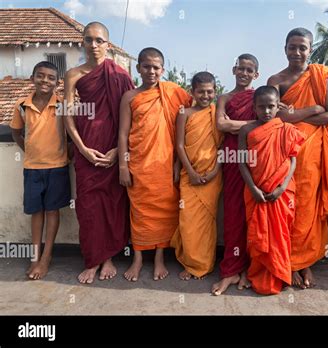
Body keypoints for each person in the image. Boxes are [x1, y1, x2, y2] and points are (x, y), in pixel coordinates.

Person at [267, 28, 328, 289]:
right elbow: (274, 117)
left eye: (303, 47)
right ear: (285, 48)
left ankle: (304, 263)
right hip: (285, 150)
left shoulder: (320, 76)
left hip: (313, 153)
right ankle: (287, 262)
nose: (297, 52)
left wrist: (296, 114)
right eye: (292, 47)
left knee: (307, 209)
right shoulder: (275, 80)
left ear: (310, 49)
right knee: (286, 207)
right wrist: (313, 110)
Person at [64, 22, 135, 284]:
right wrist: (81, 148)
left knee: (113, 203)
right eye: (88, 40)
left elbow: (131, 116)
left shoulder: (120, 74)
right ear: (82, 43)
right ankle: (93, 259)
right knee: (89, 206)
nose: (93, 45)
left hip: (114, 147)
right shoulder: (72, 75)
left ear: (108, 43)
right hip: (87, 147)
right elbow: (68, 116)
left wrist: (119, 150)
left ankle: (109, 257)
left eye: (98, 40)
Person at [118, 47, 192, 282]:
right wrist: (122, 165)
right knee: (138, 211)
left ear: (163, 69)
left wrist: (178, 163)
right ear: (138, 67)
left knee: (165, 211)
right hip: (139, 163)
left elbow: (196, 109)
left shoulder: (173, 92)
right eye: (146, 66)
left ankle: (160, 257)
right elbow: (122, 134)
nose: (151, 71)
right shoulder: (130, 96)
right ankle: (138, 258)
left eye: (156, 67)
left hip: (165, 163)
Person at [238, 86, 305, 295]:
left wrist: (282, 187)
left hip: (281, 192)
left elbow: (292, 160)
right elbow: (242, 163)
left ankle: (282, 272)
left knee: (282, 233)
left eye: (271, 106)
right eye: (261, 107)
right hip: (254, 190)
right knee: (258, 235)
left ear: (278, 107)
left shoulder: (285, 129)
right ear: (254, 107)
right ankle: (259, 272)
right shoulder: (247, 130)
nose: (266, 111)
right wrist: (253, 188)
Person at [10, 61, 71, 280]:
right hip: (32, 168)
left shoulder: (62, 105)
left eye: (51, 78)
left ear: (57, 83)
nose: (45, 81)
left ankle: (46, 257)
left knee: (53, 211)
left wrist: (67, 155)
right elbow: (16, 132)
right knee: (36, 212)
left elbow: (71, 135)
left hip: (57, 167)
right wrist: (28, 151)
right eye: (41, 76)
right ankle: (34, 257)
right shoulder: (21, 105)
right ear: (32, 78)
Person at [211, 54, 259, 295]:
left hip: (255, 157)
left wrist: (237, 124)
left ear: (256, 75)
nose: (244, 73)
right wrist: (255, 122)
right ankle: (231, 269)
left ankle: (250, 269)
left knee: (253, 214)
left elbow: (269, 120)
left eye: (249, 70)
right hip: (231, 157)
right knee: (232, 214)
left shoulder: (259, 96)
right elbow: (221, 125)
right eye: (241, 68)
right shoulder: (224, 98)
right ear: (233, 69)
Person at [171, 72, 223, 280]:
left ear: (215, 92)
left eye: (210, 91)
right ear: (192, 91)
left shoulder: (216, 112)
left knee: (207, 223)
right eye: (201, 91)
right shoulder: (185, 113)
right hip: (189, 175)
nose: (205, 95)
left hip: (213, 175)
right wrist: (190, 172)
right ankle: (191, 263)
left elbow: (220, 146)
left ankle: (204, 264)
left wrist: (215, 170)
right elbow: (180, 145)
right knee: (188, 220)